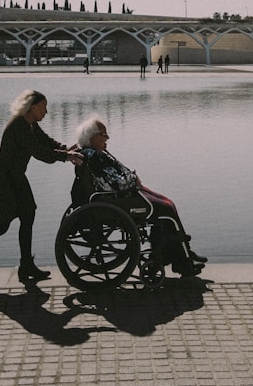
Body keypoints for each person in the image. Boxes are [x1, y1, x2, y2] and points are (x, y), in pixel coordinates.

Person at [0, 90, 83, 287]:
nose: (46, 112)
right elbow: (38, 152)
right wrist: (65, 156)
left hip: (16, 178)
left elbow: (46, 142)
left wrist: (67, 149)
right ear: (33, 107)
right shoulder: (19, 125)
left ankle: (26, 265)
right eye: (43, 108)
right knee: (0, 226)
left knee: (28, 215)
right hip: (5, 180)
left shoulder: (30, 123)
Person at [72, 114, 206, 279]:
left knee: (167, 204)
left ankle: (182, 254)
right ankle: (180, 259)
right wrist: (133, 179)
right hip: (116, 200)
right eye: (104, 134)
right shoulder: (93, 157)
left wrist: (131, 179)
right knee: (165, 209)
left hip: (119, 197)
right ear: (92, 138)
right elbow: (112, 185)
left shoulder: (95, 154)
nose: (107, 137)